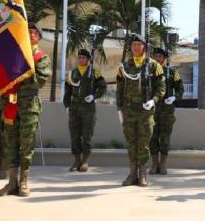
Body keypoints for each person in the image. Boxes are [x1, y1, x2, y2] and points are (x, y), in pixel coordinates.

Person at [0, 22, 51, 197]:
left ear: (39, 38)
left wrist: (24, 66)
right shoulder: (13, 55)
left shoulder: (42, 58)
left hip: (29, 107)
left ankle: (24, 181)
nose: (32, 34)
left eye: (35, 33)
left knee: (26, 145)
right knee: (10, 142)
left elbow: (38, 81)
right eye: (29, 32)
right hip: (10, 104)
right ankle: (12, 182)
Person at [116, 34, 165, 187]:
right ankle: (132, 174)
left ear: (145, 46)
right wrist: (119, 109)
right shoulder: (124, 66)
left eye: (139, 44)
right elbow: (119, 89)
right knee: (131, 142)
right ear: (130, 48)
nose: (136, 47)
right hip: (129, 110)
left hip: (145, 111)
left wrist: (153, 101)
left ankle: (142, 174)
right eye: (134, 45)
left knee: (143, 143)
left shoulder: (153, 65)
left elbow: (161, 88)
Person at [63, 49, 106, 172]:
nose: (81, 60)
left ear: (88, 60)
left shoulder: (94, 73)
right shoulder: (71, 74)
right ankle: (77, 160)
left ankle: (85, 161)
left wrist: (94, 96)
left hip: (88, 109)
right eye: (80, 57)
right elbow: (67, 92)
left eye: (83, 58)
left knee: (87, 136)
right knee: (74, 136)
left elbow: (102, 87)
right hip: (74, 108)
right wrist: (67, 106)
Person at [149, 47, 184, 175]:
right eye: (155, 56)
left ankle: (162, 164)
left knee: (165, 138)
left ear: (164, 59)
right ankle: (154, 164)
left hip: (167, 110)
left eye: (160, 56)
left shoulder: (172, 72)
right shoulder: (148, 71)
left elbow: (180, 89)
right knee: (152, 138)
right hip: (152, 109)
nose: (157, 58)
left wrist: (174, 97)